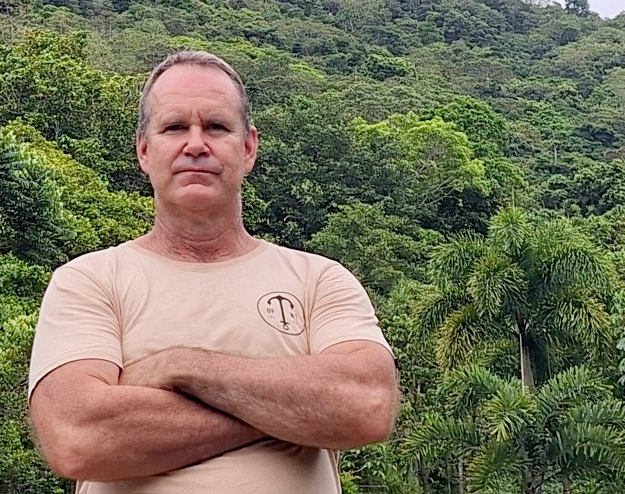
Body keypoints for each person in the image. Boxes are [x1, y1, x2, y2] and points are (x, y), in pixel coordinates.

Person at [28, 50, 399, 492]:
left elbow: (366, 405)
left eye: (217, 127)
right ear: (144, 150)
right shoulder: (90, 281)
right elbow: (79, 438)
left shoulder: (319, 279)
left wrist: (176, 366)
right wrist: (292, 410)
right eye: (174, 127)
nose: (196, 144)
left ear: (247, 149)